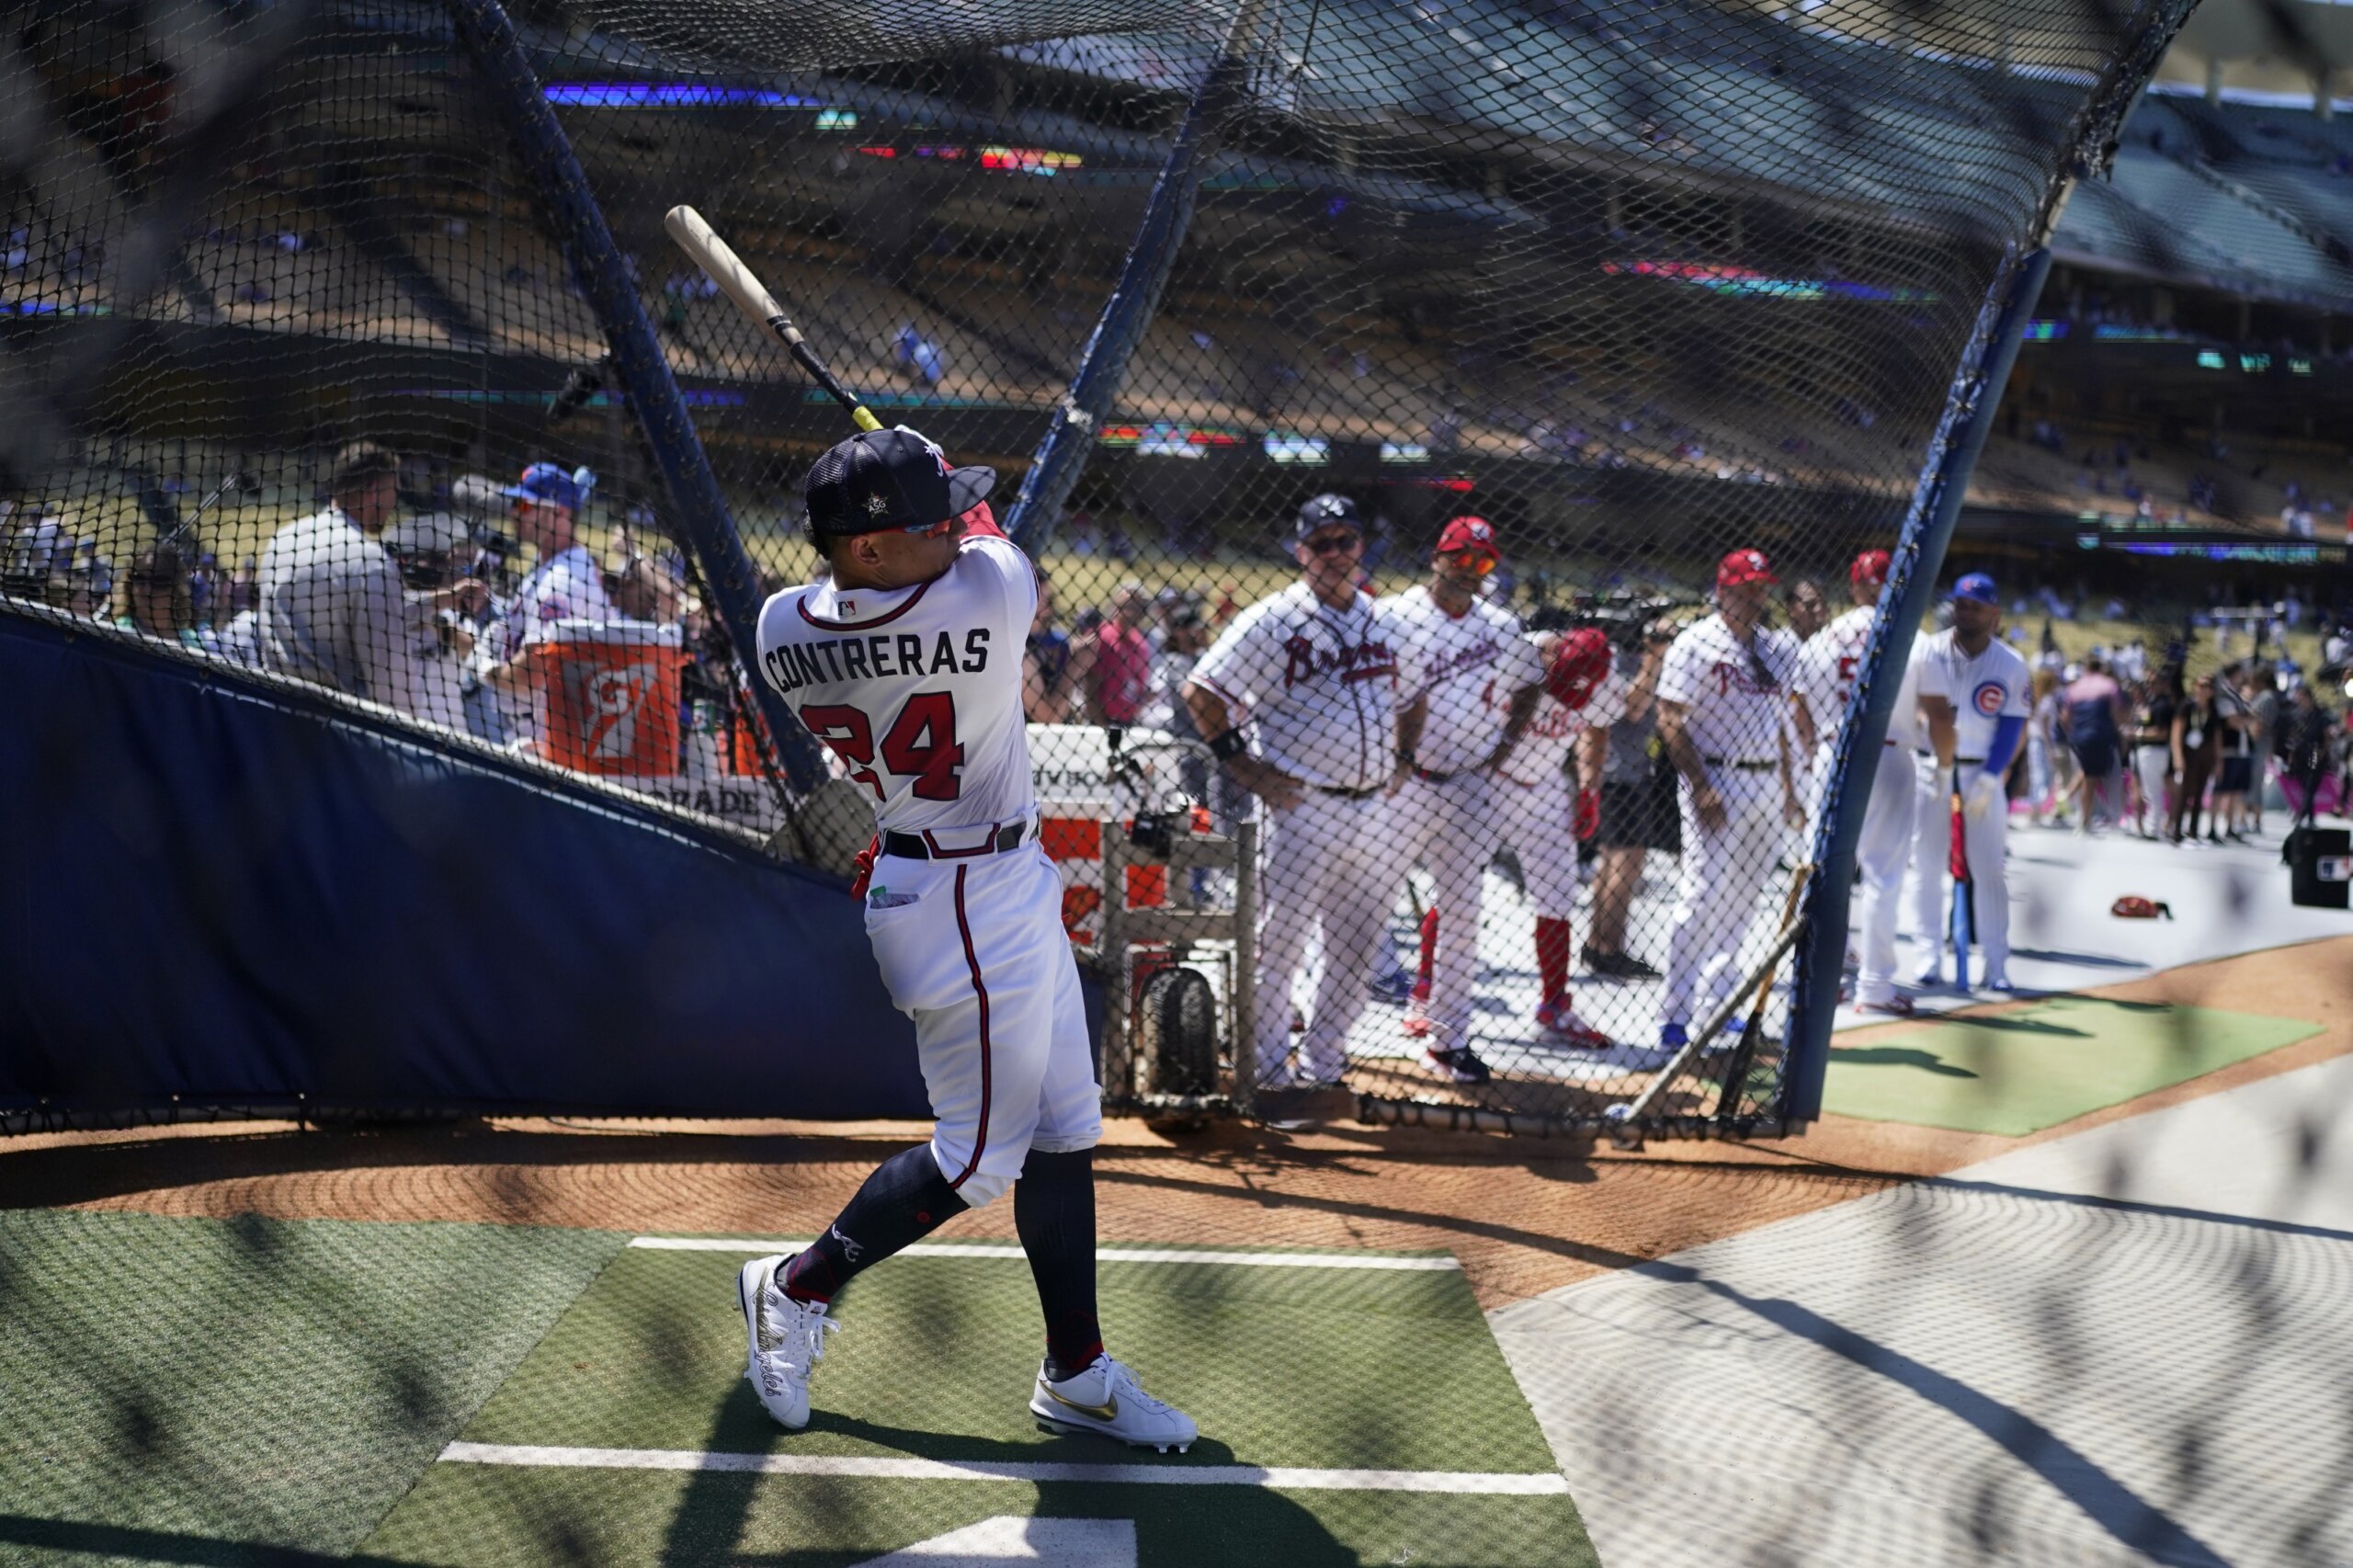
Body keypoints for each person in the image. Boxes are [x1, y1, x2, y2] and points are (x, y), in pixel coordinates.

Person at [742, 425, 1194, 1453]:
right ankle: (794, 1283)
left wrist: (915, 491)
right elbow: (983, 537)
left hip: (973, 871)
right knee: (980, 1155)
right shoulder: (989, 590)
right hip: (957, 901)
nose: (951, 526)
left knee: (1065, 1128)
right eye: (926, 520)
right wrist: (926, 472)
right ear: (865, 547)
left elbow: (932, 547)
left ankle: (1075, 1372)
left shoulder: (779, 627)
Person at [1181, 492, 1405, 1089]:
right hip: (1300, 806)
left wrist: (1402, 757)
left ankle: (1324, 1065)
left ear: (1361, 547)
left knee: (1357, 952)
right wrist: (1243, 766)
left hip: (1375, 808)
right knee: (1279, 945)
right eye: (1322, 543)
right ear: (1301, 552)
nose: (1335, 553)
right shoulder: (1272, 619)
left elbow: (1413, 694)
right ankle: (1265, 1068)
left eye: (1346, 540)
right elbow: (1200, 691)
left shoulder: (1382, 618)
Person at [1402, 626, 1629, 1049]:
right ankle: (1425, 995)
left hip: (1543, 786)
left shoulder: (1606, 673)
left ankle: (1554, 1006)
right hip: (1488, 780)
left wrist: (1588, 788)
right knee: (1453, 890)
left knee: (1558, 895)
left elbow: (1597, 729)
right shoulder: (1515, 659)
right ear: (1550, 657)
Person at [1381, 516, 1549, 1081]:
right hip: (1403, 780)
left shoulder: (1500, 626)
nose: (1473, 572)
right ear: (1438, 557)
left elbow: (1531, 682)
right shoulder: (1396, 615)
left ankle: (1448, 1040)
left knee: (1461, 914)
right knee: (1364, 906)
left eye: (1484, 562)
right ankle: (1324, 1028)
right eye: (1463, 558)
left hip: (1470, 784)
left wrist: (1504, 744)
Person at [1654, 548, 1802, 1048]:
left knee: (1745, 899)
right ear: (1723, 591)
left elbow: (1780, 724)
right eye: (1747, 589)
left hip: (1764, 785)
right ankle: (1674, 1013)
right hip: (1716, 777)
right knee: (1700, 896)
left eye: (1761, 588)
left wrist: (1789, 789)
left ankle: (1718, 1002)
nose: (1757, 597)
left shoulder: (1776, 648)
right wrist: (1700, 785)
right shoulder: (1696, 642)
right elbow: (1669, 718)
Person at [257, 441, 482, 710]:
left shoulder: (282, 541)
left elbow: (363, 606)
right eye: (394, 491)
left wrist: (442, 599)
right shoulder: (369, 561)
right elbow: (391, 683)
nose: (395, 501)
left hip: (275, 714)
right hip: (340, 729)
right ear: (375, 490)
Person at [1791, 550, 1919, 1016]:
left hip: (1833, 752)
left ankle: (1813, 976)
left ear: (1853, 586)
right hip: (1889, 756)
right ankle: (1876, 986)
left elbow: (1798, 703)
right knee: (1884, 876)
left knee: (1824, 870)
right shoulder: (1911, 635)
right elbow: (1934, 706)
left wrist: (1815, 753)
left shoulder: (1824, 637)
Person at [1907, 574, 2030, 993]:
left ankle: (1996, 963)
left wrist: (1993, 777)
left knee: (1989, 868)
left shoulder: (2011, 663)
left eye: (1976, 606)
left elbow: (2012, 727)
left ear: (1994, 613)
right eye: (1961, 604)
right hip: (1930, 766)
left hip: (1981, 769)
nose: (1966, 612)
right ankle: (1927, 954)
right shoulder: (1930, 649)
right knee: (1926, 865)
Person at [482, 462, 616, 752]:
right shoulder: (552, 569)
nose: (514, 513)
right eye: (515, 503)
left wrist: (479, 661)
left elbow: (529, 678)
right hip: (531, 731)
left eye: (526, 506)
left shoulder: (562, 583)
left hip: (543, 742)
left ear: (560, 512)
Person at [1581, 619, 1672, 979]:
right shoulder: (1615, 660)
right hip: (1620, 774)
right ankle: (1609, 947)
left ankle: (1600, 943)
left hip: (1630, 770)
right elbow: (1632, 707)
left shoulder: (1625, 658)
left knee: (1616, 861)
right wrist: (1653, 657)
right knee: (1625, 862)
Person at [1066, 580, 1152, 728]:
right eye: (1128, 606)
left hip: (1128, 722)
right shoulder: (1103, 636)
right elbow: (1090, 685)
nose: (1133, 612)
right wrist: (1102, 726)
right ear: (1116, 606)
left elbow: (1139, 688)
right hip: (1099, 722)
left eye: (1138, 607)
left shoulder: (1140, 643)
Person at [2063, 655, 2127, 831]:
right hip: (2101, 736)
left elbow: (2065, 717)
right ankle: (2106, 818)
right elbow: (2116, 713)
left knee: (2087, 776)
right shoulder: (2108, 685)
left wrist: (2073, 734)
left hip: (2079, 738)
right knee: (2108, 777)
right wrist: (2120, 735)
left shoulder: (2075, 688)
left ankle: (2084, 817)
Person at [2171, 673, 2222, 845]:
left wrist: (2218, 760)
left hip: (2205, 755)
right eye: (2201, 686)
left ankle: (2193, 830)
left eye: (2208, 687)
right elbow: (2177, 732)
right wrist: (2178, 756)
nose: (2204, 690)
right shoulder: (2187, 706)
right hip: (2188, 754)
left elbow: (2216, 737)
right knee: (2184, 792)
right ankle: (2176, 831)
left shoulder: (2213, 710)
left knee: (2200, 793)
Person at [2128, 672, 2178, 840]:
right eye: (2147, 683)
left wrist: (2137, 734)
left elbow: (2161, 733)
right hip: (2145, 751)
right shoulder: (2150, 703)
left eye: (2154, 682)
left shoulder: (2162, 705)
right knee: (2148, 790)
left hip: (2155, 752)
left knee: (2153, 791)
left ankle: (2153, 828)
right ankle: (2150, 826)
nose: (2150, 686)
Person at [2211, 668, 2259, 841]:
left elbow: (2250, 718)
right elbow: (2234, 722)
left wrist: (2247, 719)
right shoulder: (2224, 697)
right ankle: (2212, 827)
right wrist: (2247, 721)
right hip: (2227, 751)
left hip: (2242, 750)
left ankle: (2231, 827)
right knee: (2221, 791)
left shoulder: (2238, 698)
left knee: (2235, 792)